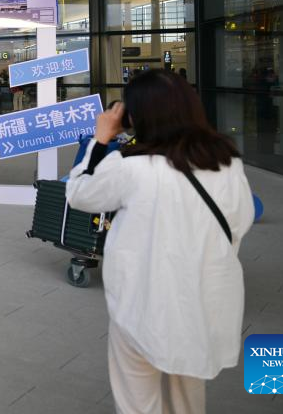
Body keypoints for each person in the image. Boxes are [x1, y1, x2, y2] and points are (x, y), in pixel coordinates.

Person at [66, 70, 254, 414]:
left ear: (137, 116)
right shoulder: (227, 162)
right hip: (203, 301)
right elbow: (240, 224)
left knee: (138, 401)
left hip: (142, 305)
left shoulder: (131, 166)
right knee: (187, 398)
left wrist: (101, 139)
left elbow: (79, 193)